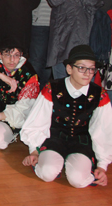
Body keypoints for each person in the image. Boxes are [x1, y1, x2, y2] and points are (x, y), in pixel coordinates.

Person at [21, 45, 112, 188]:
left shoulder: (99, 94)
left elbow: (104, 129)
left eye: (91, 68)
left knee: (78, 181)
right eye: (81, 68)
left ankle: (76, 165)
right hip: (54, 138)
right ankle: (51, 163)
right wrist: (34, 150)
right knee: (47, 173)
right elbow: (38, 119)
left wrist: (102, 166)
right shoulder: (53, 88)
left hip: (81, 143)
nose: (87, 73)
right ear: (69, 69)